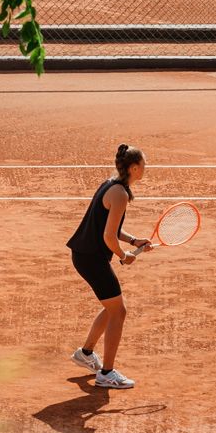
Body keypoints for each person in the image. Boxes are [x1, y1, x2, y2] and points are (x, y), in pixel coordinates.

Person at [67, 143, 150, 391]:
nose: (145, 167)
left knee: (112, 308)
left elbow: (111, 228)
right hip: (91, 259)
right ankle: (106, 373)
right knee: (119, 312)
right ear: (134, 168)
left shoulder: (111, 184)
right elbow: (108, 237)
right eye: (143, 164)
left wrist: (134, 241)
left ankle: (85, 353)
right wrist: (124, 256)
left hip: (84, 254)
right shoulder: (120, 194)